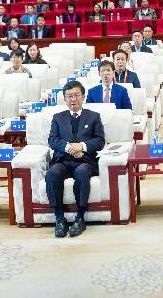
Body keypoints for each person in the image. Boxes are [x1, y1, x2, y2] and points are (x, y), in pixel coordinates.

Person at [45, 80, 106, 238]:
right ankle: (59, 218)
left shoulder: (93, 117)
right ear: (65, 99)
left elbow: (100, 141)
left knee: (81, 172)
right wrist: (69, 148)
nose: (73, 99)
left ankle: (80, 217)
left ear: (83, 97)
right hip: (63, 160)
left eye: (76, 95)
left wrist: (82, 146)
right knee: (52, 174)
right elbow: (52, 140)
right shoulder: (58, 118)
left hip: (85, 161)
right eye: (69, 96)